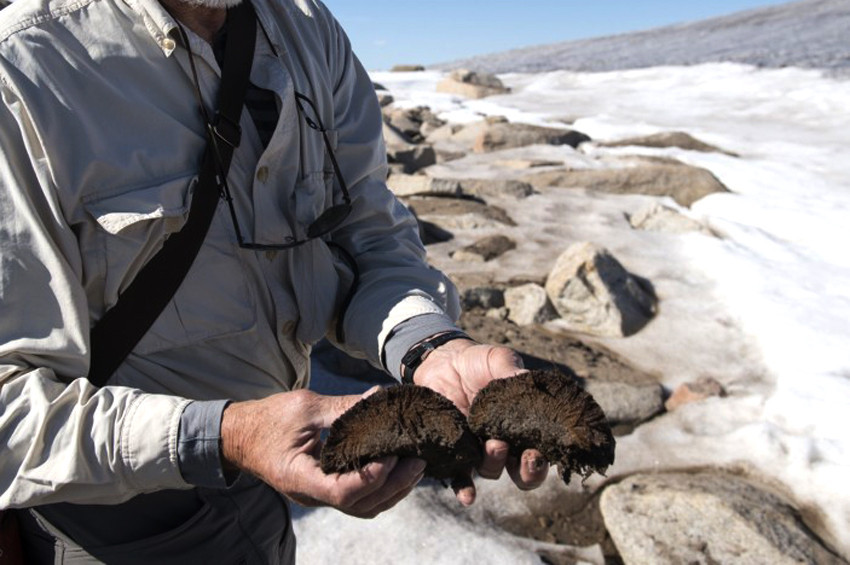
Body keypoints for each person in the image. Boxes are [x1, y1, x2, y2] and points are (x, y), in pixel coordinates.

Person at [0, 0, 548, 561]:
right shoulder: (21, 71)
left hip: (274, 477)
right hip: (118, 524)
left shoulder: (307, 29)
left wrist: (426, 344)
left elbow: (366, 232)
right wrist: (223, 436)